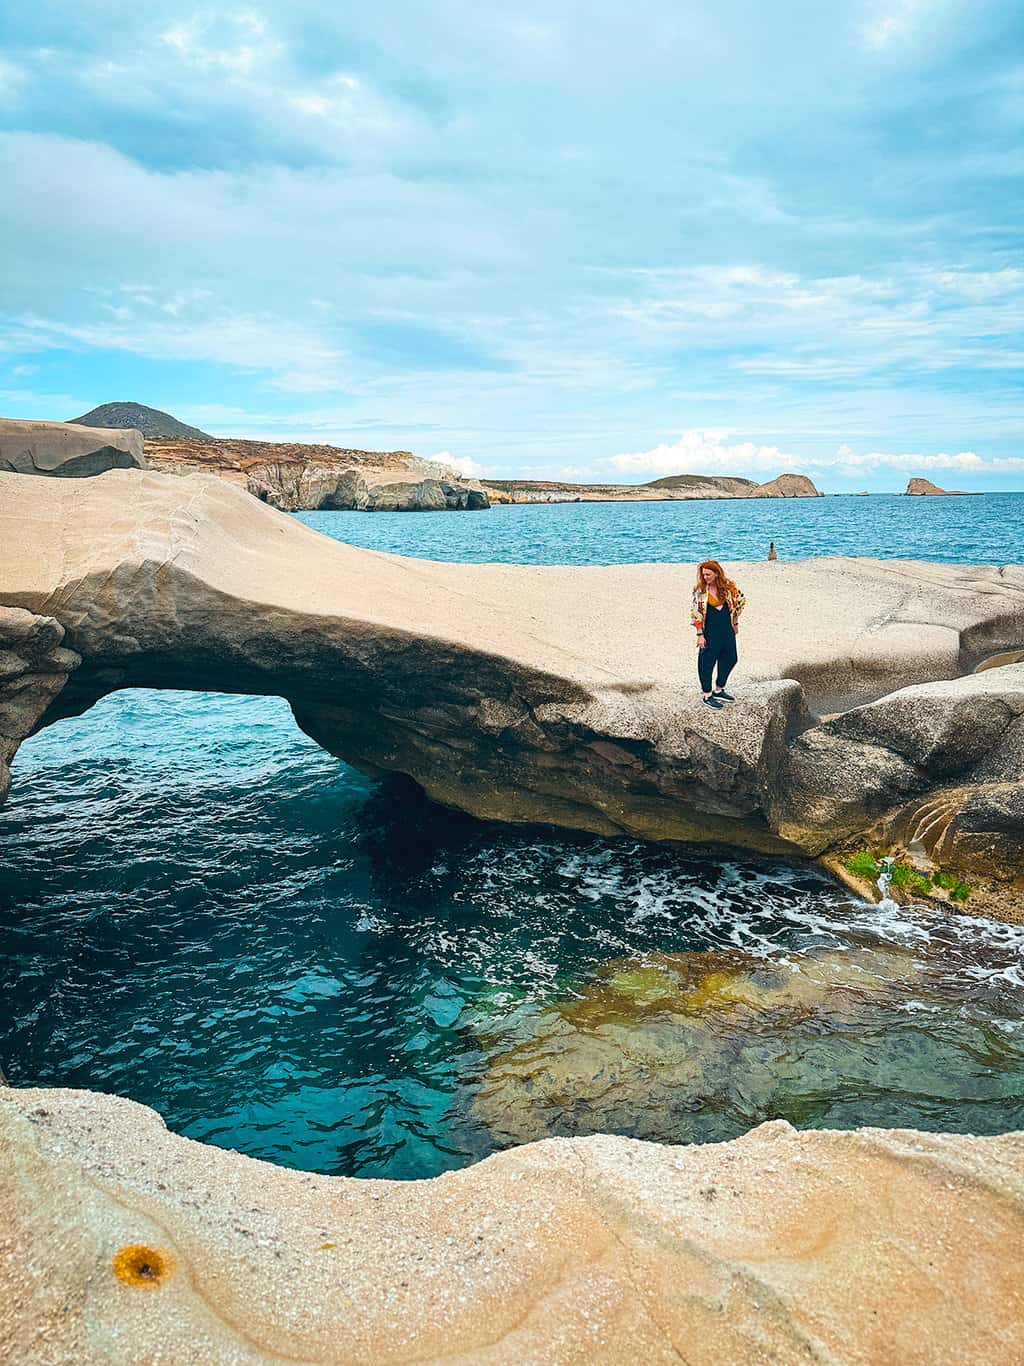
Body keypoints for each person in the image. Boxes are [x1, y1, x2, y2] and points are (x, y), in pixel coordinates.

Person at [690, 560, 745, 709]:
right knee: (706, 663)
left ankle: (719, 689)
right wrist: (700, 635)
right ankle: (707, 695)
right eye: (704, 575)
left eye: (708, 574)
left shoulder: (728, 588)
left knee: (731, 658)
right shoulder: (700, 591)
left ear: (716, 573)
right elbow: (696, 615)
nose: (706, 577)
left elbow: (741, 601)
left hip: (727, 630)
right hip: (710, 632)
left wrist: (735, 619)